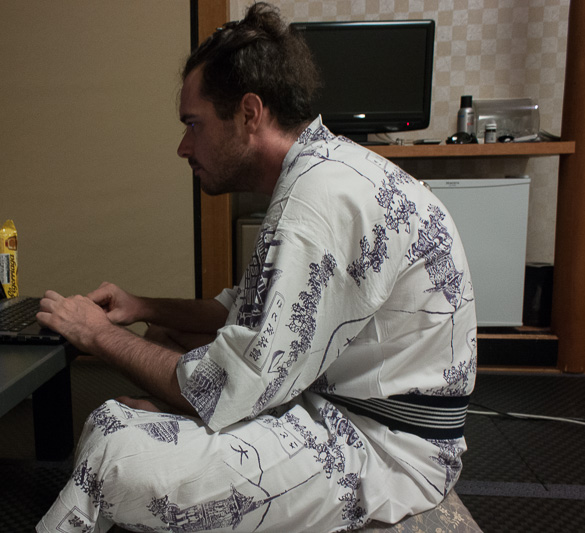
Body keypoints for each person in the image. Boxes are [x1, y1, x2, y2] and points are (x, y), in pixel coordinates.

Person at [35, 3, 477, 532]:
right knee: (165, 337)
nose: (183, 147)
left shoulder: (317, 202)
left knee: (114, 445)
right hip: (339, 403)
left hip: (384, 447)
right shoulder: (319, 170)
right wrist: (142, 307)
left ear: (249, 114)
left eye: (193, 125)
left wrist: (96, 334)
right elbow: (241, 310)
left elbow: (224, 387)